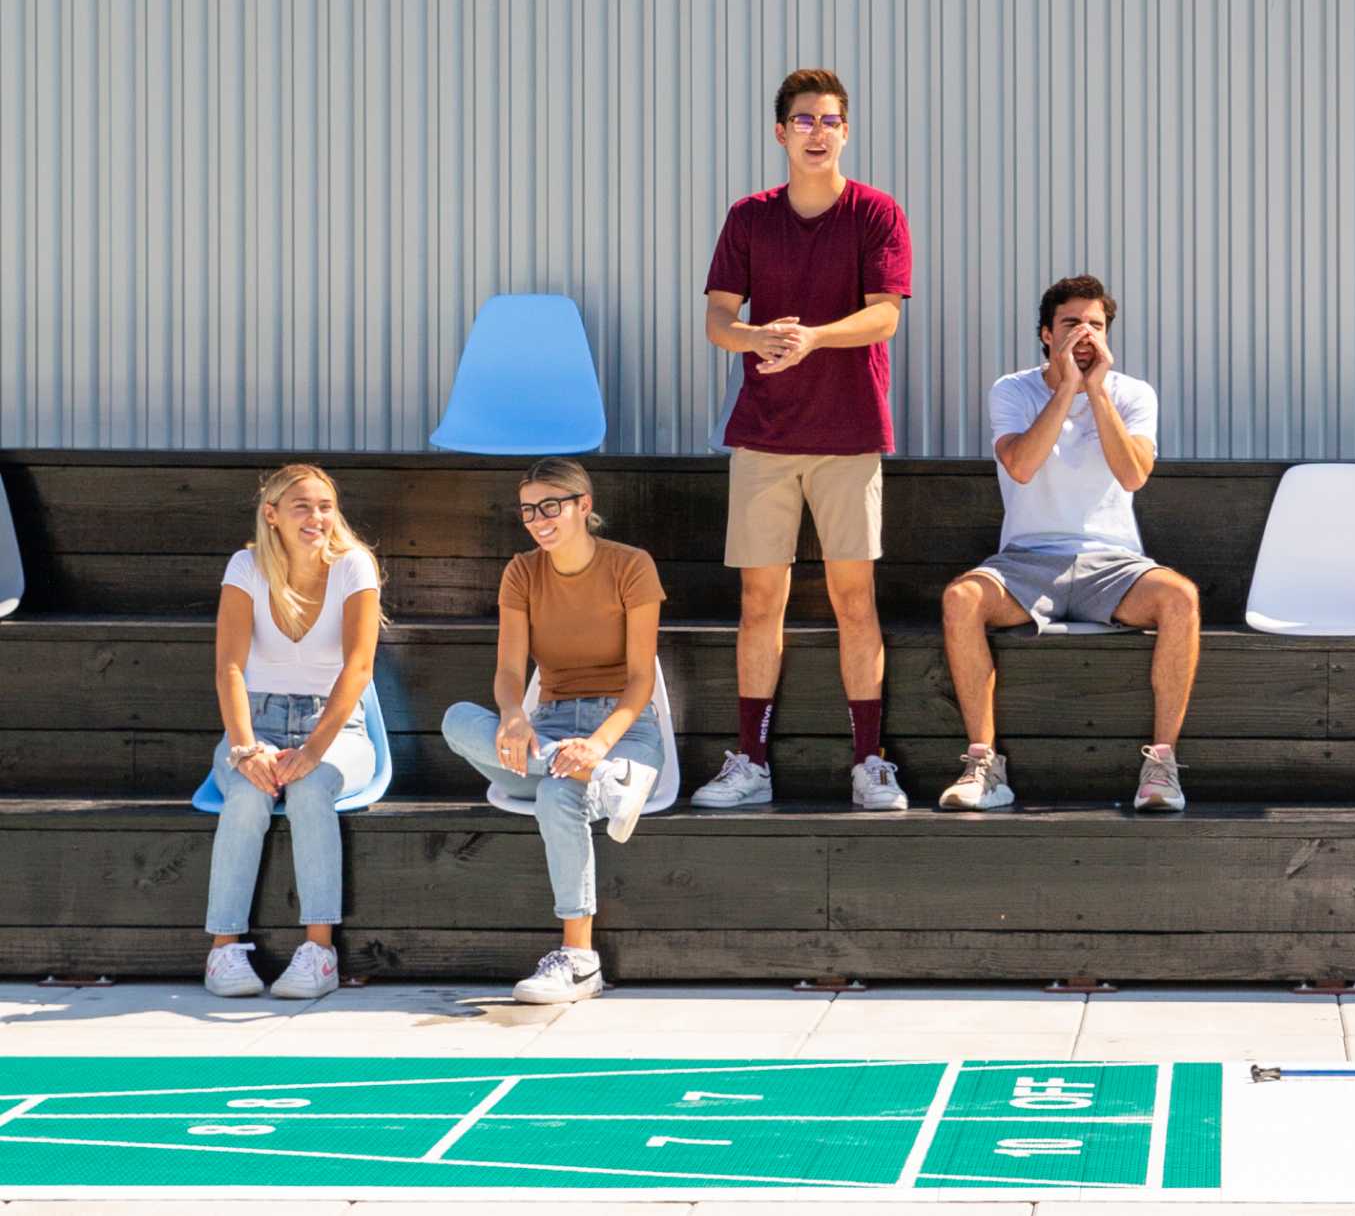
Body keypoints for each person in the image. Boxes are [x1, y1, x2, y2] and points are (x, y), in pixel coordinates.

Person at [695, 66, 913, 812]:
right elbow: (719, 320)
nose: (816, 132)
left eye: (829, 120)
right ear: (780, 132)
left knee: (856, 600)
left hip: (849, 436)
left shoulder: (876, 213)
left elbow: (885, 315)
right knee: (761, 602)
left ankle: (869, 763)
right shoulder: (749, 217)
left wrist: (812, 338)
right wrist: (758, 335)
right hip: (763, 439)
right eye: (803, 120)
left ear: (845, 132)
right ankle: (750, 762)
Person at [935, 275, 1199, 813]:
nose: (1084, 334)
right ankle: (983, 764)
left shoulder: (1131, 393)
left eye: (1095, 325)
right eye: (1071, 323)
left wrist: (1095, 391)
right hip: (1026, 563)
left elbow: (1132, 476)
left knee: (1182, 599)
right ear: (1045, 334)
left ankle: (1161, 767)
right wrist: (1065, 389)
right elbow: (1023, 466)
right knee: (960, 599)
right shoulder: (1013, 389)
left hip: (1114, 565)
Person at [440, 459, 667, 1005]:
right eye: (528, 511)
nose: (539, 520)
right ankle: (608, 782)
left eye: (551, 507)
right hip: (548, 730)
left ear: (582, 505)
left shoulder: (631, 566)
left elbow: (641, 682)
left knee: (557, 793)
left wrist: (598, 746)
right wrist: (513, 714)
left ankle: (579, 960)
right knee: (457, 721)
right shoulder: (521, 572)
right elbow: (511, 671)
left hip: (622, 729)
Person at [203, 464, 386, 1000]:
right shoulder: (246, 566)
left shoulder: (355, 565)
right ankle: (223, 951)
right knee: (246, 793)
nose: (317, 518)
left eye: (325, 506)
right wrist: (244, 748)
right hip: (255, 722)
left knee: (309, 788)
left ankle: (319, 953)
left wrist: (313, 748)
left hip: (334, 726)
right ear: (272, 514)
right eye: (302, 506)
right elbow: (230, 668)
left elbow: (358, 669)